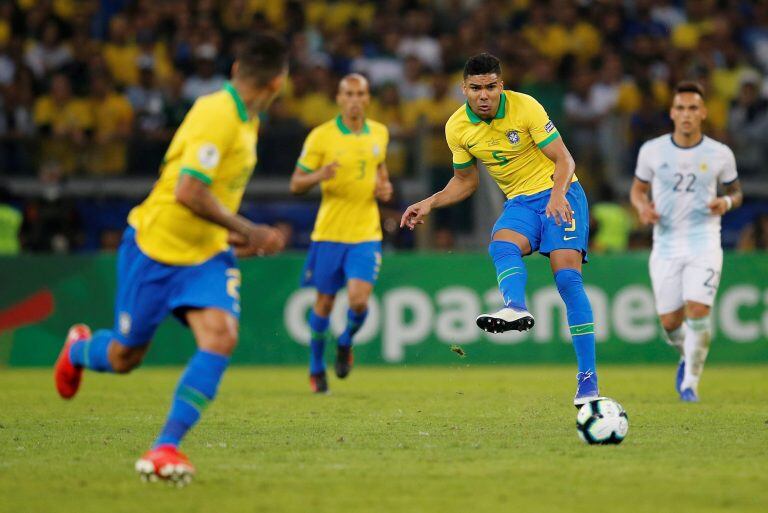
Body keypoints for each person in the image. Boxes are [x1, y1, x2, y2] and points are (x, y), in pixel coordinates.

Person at [53, 33, 289, 484]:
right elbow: (188, 192)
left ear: (238, 67)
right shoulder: (217, 115)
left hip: (204, 255)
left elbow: (213, 195)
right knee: (125, 357)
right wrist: (250, 230)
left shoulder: (247, 120)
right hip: (155, 249)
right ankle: (79, 350)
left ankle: (165, 447)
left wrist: (234, 241)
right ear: (278, 83)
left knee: (220, 336)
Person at [400, 53, 601, 406]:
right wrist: (429, 202)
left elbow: (564, 159)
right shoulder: (456, 128)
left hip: (562, 191)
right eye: (476, 88)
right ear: (464, 89)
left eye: (491, 87)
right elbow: (465, 181)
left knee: (567, 279)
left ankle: (588, 379)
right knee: (501, 244)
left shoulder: (526, 108)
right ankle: (515, 307)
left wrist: (557, 195)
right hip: (521, 202)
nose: (484, 95)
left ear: (501, 86)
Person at [630, 81, 741, 403]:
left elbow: (736, 192)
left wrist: (727, 204)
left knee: (698, 309)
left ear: (703, 113)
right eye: (681, 108)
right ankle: (686, 354)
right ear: (672, 113)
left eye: (693, 108)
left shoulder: (720, 154)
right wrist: (642, 207)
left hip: (704, 241)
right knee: (670, 322)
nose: (687, 114)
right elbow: (638, 189)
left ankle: (690, 383)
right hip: (665, 244)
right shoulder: (652, 150)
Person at [289, 73, 393, 394]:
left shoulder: (380, 132)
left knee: (359, 301)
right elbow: (295, 183)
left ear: (367, 97)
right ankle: (316, 367)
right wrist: (319, 174)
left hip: (366, 233)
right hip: (330, 233)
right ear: (339, 98)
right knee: (324, 302)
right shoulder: (321, 137)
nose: (354, 99)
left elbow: (380, 169)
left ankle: (345, 341)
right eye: (348, 93)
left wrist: (384, 186)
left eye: (360, 93)